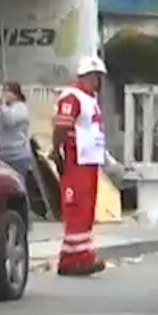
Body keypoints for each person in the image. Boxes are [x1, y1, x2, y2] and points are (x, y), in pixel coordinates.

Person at [52, 55, 110, 277]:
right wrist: (55, 149)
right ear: (86, 76)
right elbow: (62, 125)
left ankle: (72, 258)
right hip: (76, 160)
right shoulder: (72, 97)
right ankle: (80, 258)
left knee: (86, 210)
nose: (98, 82)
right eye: (96, 77)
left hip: (89, 160)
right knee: (76, 209)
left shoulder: (89, 98)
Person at [0, 82, 36, 176]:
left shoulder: (20, 108)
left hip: (17, 156)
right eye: (4, 91)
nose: (4, 94)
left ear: (16, 95)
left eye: (8, 91)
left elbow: (10, 120)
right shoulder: (1, 110)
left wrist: (3, 106)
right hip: (1, 155)